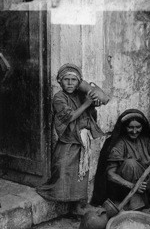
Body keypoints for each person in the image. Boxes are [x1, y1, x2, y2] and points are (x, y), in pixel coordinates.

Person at [37, 63, 104, 215]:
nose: (69, 83)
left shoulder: (81, 95)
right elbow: (70, 117)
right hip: (69, 138)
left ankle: (77, 206)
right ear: (60, 81)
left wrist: (93, 105)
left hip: (83, 138)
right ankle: (65, 202)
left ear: (79, 82)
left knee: (81, 171)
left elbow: (90, 115)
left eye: (73, 80)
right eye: (66, 79)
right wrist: (87, 103)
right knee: (64, 167)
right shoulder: (59, 98)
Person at [90, 109, 150, 210]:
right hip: (126, 189)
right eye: (130, 127)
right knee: (131, 163)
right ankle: (135, 205)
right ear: (125, 127)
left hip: (146, 187)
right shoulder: (119, 144)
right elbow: (110, 175)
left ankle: (144, 201)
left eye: (138, 127)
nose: (134, 131)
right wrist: (133, 186)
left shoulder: (146, 140)